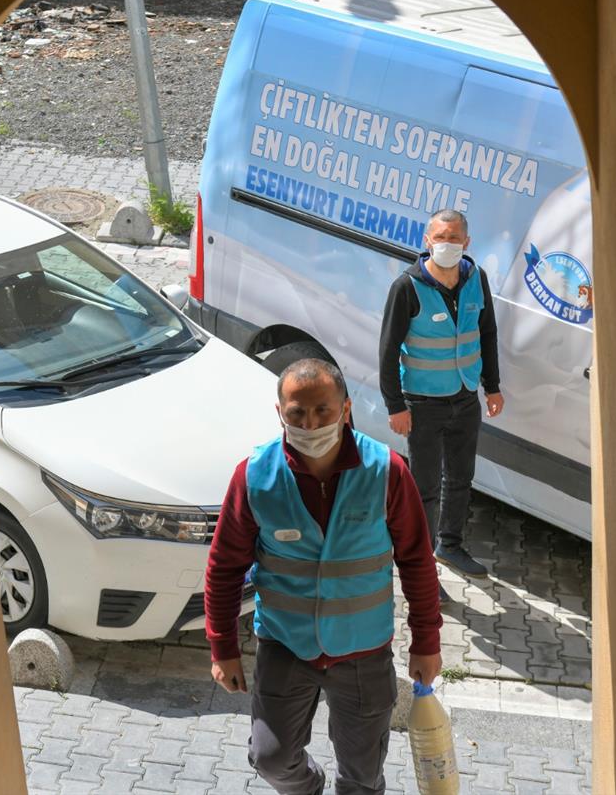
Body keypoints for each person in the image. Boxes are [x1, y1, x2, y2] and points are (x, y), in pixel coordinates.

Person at [205, 358, 442, 795]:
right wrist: (223, 647)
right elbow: (223, 567)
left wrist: (426, 641)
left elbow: (417, 561)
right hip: (285, 645)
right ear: (280, 413)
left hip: (364, 652)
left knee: (363, 776)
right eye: (297, 413)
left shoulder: (386, 472)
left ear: (346, 409)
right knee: (270, 757)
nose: (310, 423)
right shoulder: (255, 476)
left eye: (322, 411)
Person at [378, 209, 504, 581]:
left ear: (466, 243)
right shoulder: (407, 286)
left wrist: (492, 386)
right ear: (426, 240)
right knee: (425, 489)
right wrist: (395, 405)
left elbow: (488, 333)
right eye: (440, 237)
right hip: (423, 403)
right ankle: (419, 564)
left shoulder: (476, 278)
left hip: (465, 397)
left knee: (461, 479)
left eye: (454, 238)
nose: (447, 244)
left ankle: (450, 545)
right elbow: (387, 350)